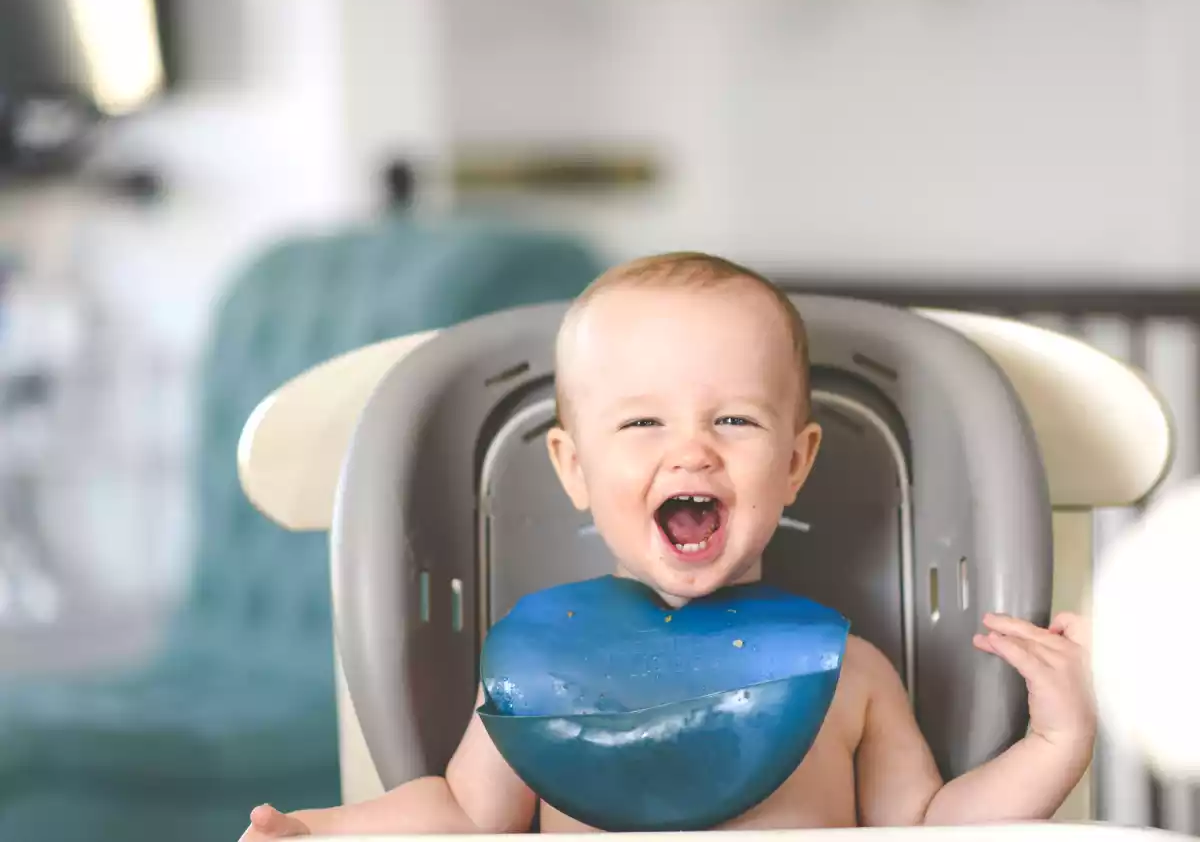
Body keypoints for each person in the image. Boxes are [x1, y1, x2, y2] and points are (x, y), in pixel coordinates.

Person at [240, 252, 1095, 838]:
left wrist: (1055, 743)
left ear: (796, 464)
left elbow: (932, 828)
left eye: (735, 420)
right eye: (643, 423)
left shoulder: (850, 675)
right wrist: (322, 828)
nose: (692, 451)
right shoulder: (541, 670)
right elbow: (465, 814)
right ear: (574, 468)